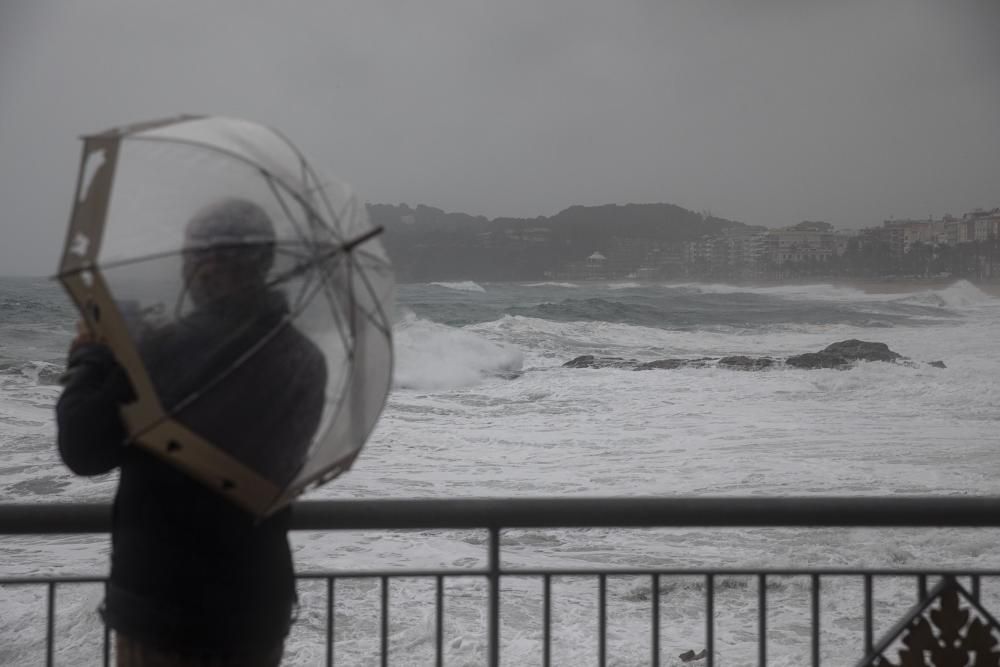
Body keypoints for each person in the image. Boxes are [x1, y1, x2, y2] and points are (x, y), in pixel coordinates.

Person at [56, 199, 327, 666]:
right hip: (257, 602)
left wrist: (92, 358)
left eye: (198, 256)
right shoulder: (305, 359)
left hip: (164, 603)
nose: (194, 268)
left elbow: (84, 448)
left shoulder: (163, 348)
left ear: (209, 263)